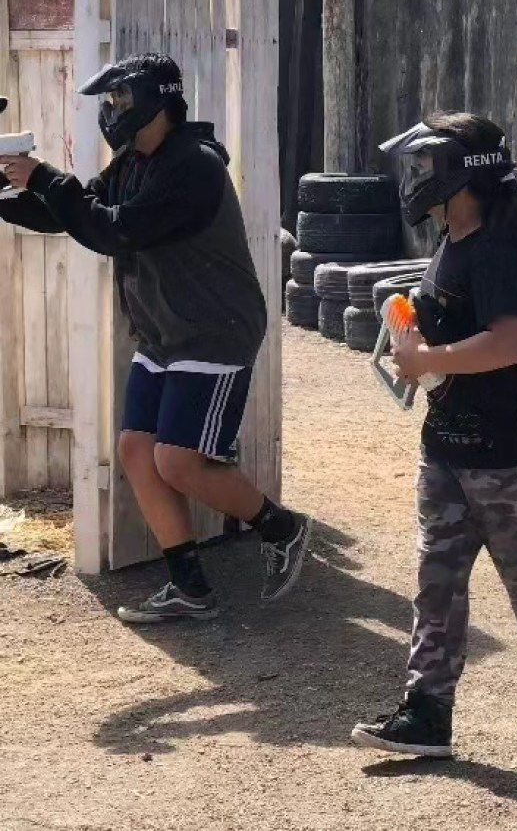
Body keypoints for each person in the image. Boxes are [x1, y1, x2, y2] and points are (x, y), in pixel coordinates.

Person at [0, 53, 310, 623]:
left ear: (153, 100)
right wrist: (11, 195)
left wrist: (43, 176)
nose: (111, 111)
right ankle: (190, 587)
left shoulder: (193, 166)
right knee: (137, 450)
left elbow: (115, 230)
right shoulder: (132, 162)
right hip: (165, 331)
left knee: (177, 461)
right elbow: (76, 215)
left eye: (119, 100)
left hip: (215, 328)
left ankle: (283, 528)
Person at [351, 113, 517, 757]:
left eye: (427, 167)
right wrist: (410, 325)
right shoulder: (452, 238)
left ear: (462, 174)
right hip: (449, 441)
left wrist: (428, 360)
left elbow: (510, 343)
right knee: (437, 576)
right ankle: (427, 711)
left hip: (512, 449)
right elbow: (448, 321)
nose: (416, 179)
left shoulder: (500, 252)